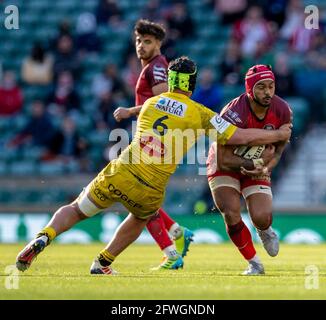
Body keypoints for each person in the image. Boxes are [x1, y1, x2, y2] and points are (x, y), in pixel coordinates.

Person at [16, 56, 292, 275]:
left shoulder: (150, 103)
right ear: (191, 84)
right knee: (140, 217)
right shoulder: (200, 113)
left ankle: (44, 236)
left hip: (122, 170)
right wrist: (278, 135)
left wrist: (126, 111)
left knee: (77, 209)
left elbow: (142, 109)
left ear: (170, 81)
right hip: (151, 186)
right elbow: (240, 136)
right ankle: (102, 262)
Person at [113, 19, 194, 270]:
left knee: (139, 196)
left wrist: (129, 111)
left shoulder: (157, 67)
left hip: (153, 139)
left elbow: (163, 100)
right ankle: (177, 231)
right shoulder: (151, 66)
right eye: (138, 41)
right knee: (142, 196)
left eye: (147, 41)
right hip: (150, 137)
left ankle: (171, 252)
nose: (141, 46)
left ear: (159, 43)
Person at [206, 64, 292, 275]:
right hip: (223, 165)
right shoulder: (233, 112)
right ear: (249, 89)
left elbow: (279, 150)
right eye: (261, 87)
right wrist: (256, 163)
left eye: (271, 86)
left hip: (257, 165)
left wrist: (266, 167)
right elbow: (224, 159)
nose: (267, 92)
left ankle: (264, 230)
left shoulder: (282, 110)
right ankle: (254, 263)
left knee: (262, 216)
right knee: (231, 212)